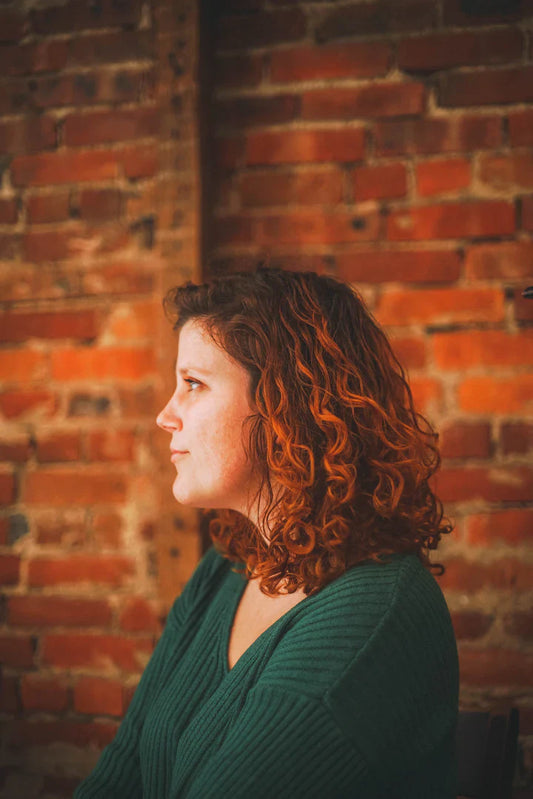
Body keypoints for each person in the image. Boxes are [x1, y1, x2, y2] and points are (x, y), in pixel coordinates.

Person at [74, 267, 459, 798]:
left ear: (286, 404)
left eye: (193, 384)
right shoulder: (228, 568)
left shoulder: (369, 619)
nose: (166, 415)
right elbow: (123, 769)